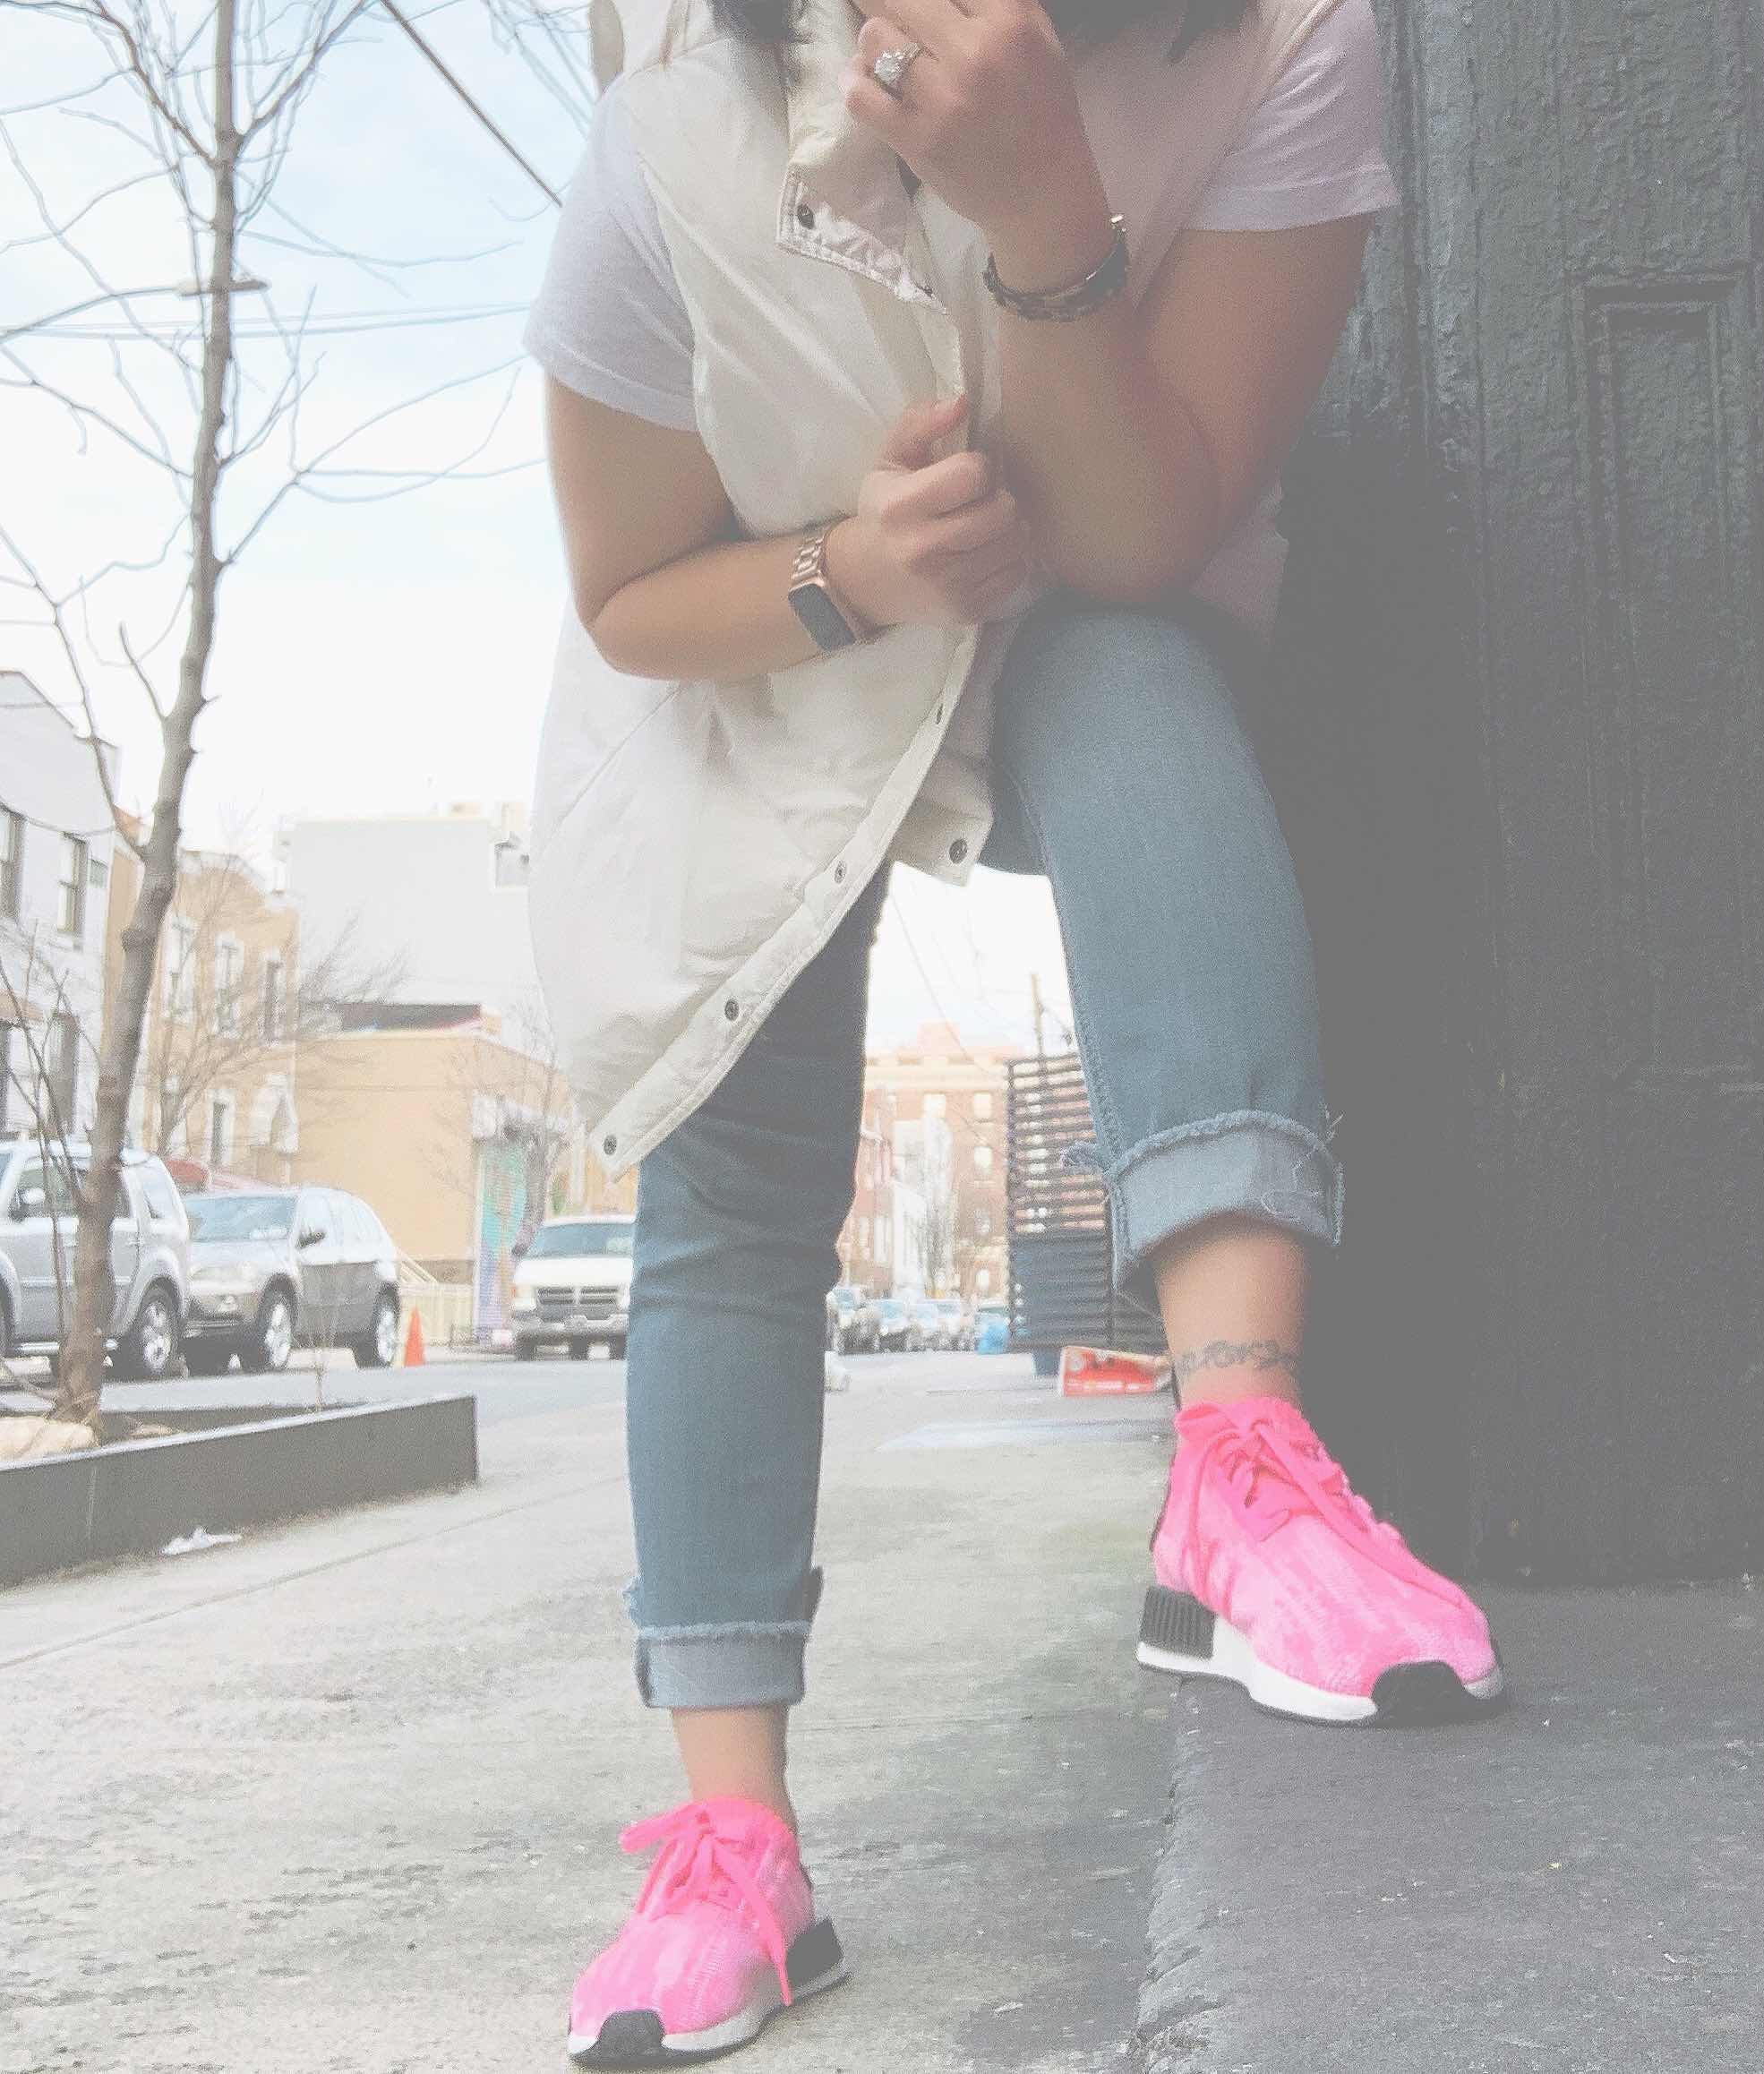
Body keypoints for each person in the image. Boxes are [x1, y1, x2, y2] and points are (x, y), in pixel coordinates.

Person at [525, 0, 1503, 2058]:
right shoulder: (674, 138)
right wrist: (856, 573)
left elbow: (1147, 528)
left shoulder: (1284, 42)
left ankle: (1243, 1467)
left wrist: (1054, 213)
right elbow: (627, 593)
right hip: (783, 632)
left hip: (1088, 588)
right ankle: (735, 1845)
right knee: (738, 1135)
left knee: (1134, 672)